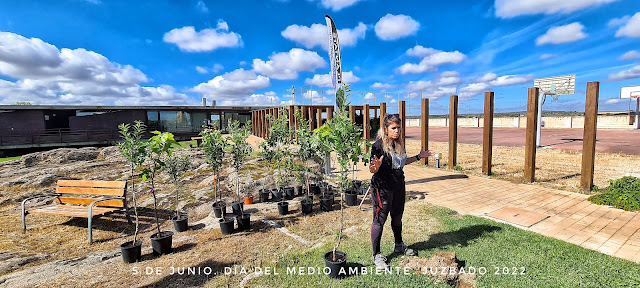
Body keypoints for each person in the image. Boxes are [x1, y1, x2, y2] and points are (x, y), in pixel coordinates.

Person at [369, 113, 432, 270]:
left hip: (398, 186)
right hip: (382, 187)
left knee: (397, 217)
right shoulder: (378, 146)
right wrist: (375, 167)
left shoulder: (400, 144)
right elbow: (372, 168)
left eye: (399, 128)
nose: (397, 131)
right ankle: (376, 255)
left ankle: (398, 244)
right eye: (393, 128)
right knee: (380, 219)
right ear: (385, 129)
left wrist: (418, 157)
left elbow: (401, 163)